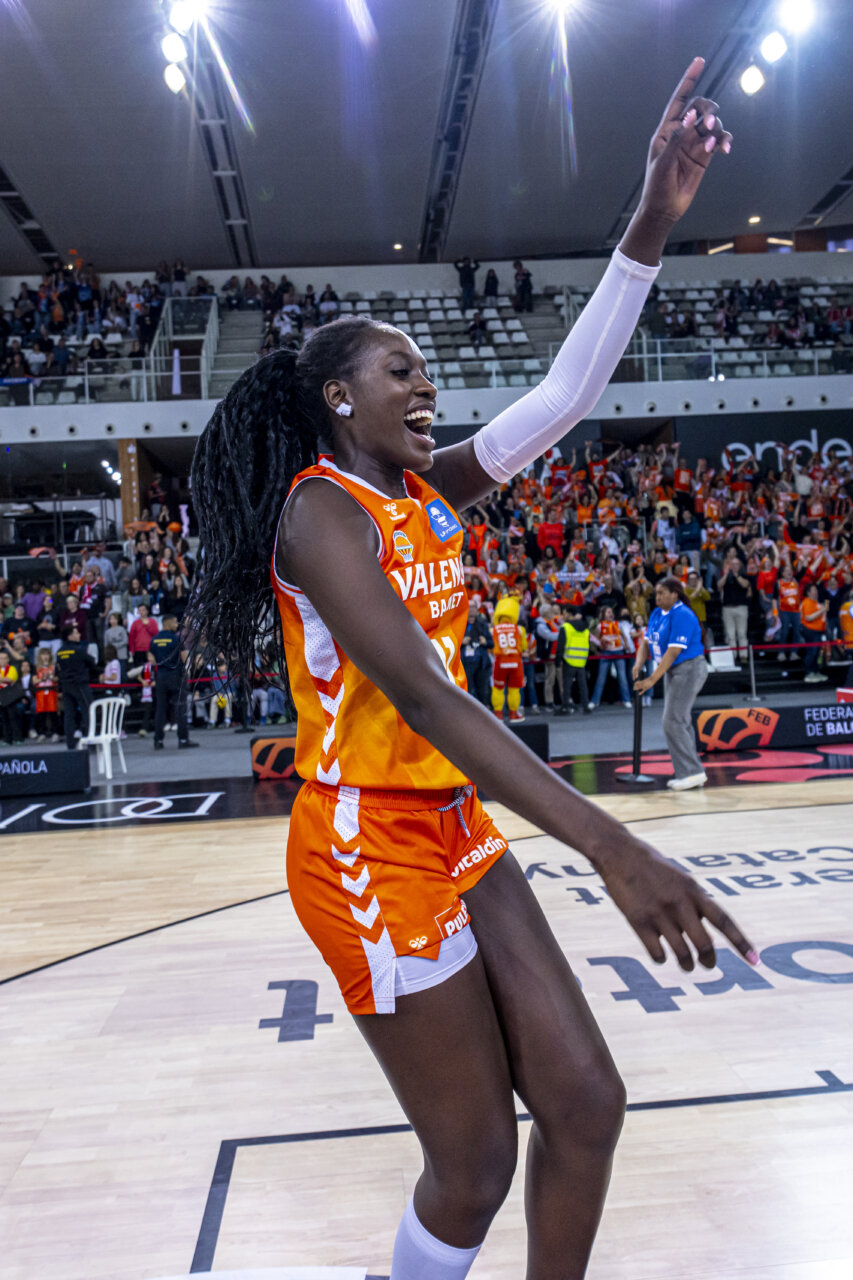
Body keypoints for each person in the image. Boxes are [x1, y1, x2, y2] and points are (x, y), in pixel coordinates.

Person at [188, 61, 755, 1279]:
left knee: (589, 1105)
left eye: (429, 371)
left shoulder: (428, 492)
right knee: (473, 1165)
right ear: (338, 395)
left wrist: (651, 217)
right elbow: (431, 700)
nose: (426, 384)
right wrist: (612, 842)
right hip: (359, 838)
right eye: (401, 370)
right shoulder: (319, 515)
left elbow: (565, 390)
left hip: (446, 820)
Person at [634, 577, 708, 790]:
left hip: (689, 669)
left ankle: (691, 772)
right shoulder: (657, 614)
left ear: (675, 594)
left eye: (662, 593)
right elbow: (646, 642)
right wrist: (638, 664)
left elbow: (673, 651)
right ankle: (692, 772)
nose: (657, 597)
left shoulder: (683, 614)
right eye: (656, 593)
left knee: (672, 721)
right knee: (680, 720)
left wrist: (651, 679)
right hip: (674, 671)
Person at [149, 614, 198, 748]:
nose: (177, 625)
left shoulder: (154, 640)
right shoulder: (176, 639)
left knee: (160, 710)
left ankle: (158, 741)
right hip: (176, 676)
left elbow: (151, 659)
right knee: (180, 708)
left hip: (161, 677)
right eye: (175, 622)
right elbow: (184, 658)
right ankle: (183, 740)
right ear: (167, 623)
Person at [54, 624, 97, 748]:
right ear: (70, 636)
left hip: (66, 685)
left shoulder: (59, 652)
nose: (79, 635)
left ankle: (70, 743)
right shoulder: (79, 650)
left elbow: (57, 670)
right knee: (88, 711)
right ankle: (91, 740)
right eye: (76, 633)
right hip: (80, 684)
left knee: (69, 715)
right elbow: (92, 662)